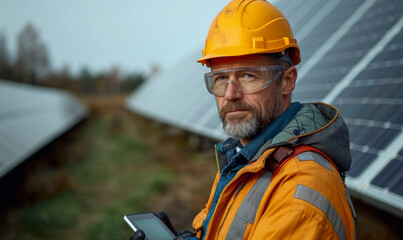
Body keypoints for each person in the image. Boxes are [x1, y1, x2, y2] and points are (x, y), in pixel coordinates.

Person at [131, 0, 356, 239]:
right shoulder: (244, 161)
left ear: (287, 81)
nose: (230, 94)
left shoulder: (300, 193)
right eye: (220, 79)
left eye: (248, 76)